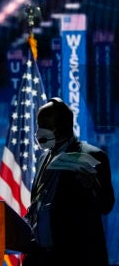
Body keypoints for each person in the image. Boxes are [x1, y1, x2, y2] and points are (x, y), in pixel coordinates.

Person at [23, 97, 115, 266]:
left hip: (74, 256)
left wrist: (92, 186)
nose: (39, 131)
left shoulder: (92, 156)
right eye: (39, 124)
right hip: (42, 257)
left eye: (46, 125)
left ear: (63, 126)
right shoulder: (44, 157)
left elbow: (106, 205)